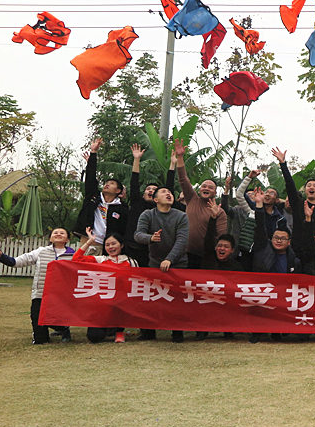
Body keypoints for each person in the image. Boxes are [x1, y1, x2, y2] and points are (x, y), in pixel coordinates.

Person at [0, 228, 76, 344]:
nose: (58, 234)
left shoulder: (73, 255)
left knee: (55, 317)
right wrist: (2, 257)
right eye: (55, 233)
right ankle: (44, 334)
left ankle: (63, 328)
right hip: (41, 293)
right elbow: (18, 261)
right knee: (40, 334)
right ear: (50, 238)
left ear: (67, 239)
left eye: (62, 233)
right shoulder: (41, 251)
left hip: (62, 295)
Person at [134, 186, 189, 342]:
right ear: (156, 199)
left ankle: (177, 332)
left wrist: (170, 259)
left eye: (170, 192)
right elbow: (138, 235)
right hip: (155, 263)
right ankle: (148, 332)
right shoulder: (148, 215)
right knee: (152, 298)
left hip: (178, 263)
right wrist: (150, 238)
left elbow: (182, 240)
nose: (169, 194)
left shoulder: (181, 216)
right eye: (164, 193)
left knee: (177, 299)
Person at [73, 227, 139, 343]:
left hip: (122, 301)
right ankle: (108, 330)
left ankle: (119, 331)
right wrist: (90, 241)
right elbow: (76, 259)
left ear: (121, 245)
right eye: (107, 245)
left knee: (121, 306)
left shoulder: (131, 261)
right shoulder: (101, 259)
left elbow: (137, 280)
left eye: (114, 244)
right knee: (94, 337)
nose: (111, 247)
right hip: (103, 302)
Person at [174, 139, 227, 269]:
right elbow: (183, 179)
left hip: (206, 258)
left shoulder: (220, 211)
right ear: (199, 189)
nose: (206, 188)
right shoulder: (192, 198)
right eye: (204, 186)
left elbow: (221, 237)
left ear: (215, 193)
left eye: (210, 187)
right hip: (184, 253)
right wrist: (180, 157)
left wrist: (214, 217)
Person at [74, 137, 128, 255]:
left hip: (108, 245)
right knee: (82, 269)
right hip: (88, 240)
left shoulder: (122, 208)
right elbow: (91, 178)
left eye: (112, 184)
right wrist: (93, 153)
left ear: (118, 190)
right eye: (106, 183)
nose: (107, 185)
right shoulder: (94, 197)